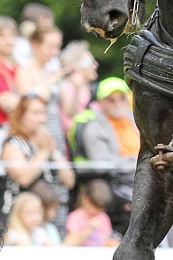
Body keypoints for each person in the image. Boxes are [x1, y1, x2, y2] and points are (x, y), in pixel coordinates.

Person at [67, 77, 138, 233]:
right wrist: (135, 161)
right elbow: (103, 163)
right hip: (117, 180)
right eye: (111, 100)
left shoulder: (135, 120)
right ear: (101, 103)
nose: (118, 104)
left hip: (139, 174)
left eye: (121, 99)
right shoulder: (94, 127)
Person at [1, 95, 75, 235]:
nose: (42, 119)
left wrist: (54, 152)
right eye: (36, 113)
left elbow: (69, 181)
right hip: (23, 221)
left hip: (51, 220)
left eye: (44, 113)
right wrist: (44, 152)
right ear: (21, 115)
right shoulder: (13, 144)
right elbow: (23, 178)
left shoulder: (46, 143)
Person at [15, 25, 68, 155]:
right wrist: (50, 82)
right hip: (36, 134)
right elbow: (29, 106)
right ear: (35, 45)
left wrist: (76, 85)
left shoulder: (53, 72)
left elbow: (68, 110)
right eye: (50, 47)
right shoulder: (24, 72)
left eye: (57, 47)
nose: (55, 52)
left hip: (57, 130)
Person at [58, 40, 98, 133]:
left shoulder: (88, 87)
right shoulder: (66, 87)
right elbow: (71, 114)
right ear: (78, 66)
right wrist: (78, 89)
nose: (95, 64)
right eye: (91, 62)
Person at [65, 179, 117, 247]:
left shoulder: (103, 218)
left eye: (101, 210)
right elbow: (69, 243)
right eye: (96, 209)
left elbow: (106, 240)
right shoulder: (75, 217)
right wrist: (89, 229)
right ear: (86, 201)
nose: (99, 213)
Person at [12, 3, 60, 71]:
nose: (50, 30)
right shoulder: (20, 46)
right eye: (45, 26)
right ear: (28, 27)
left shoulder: (51, 51)